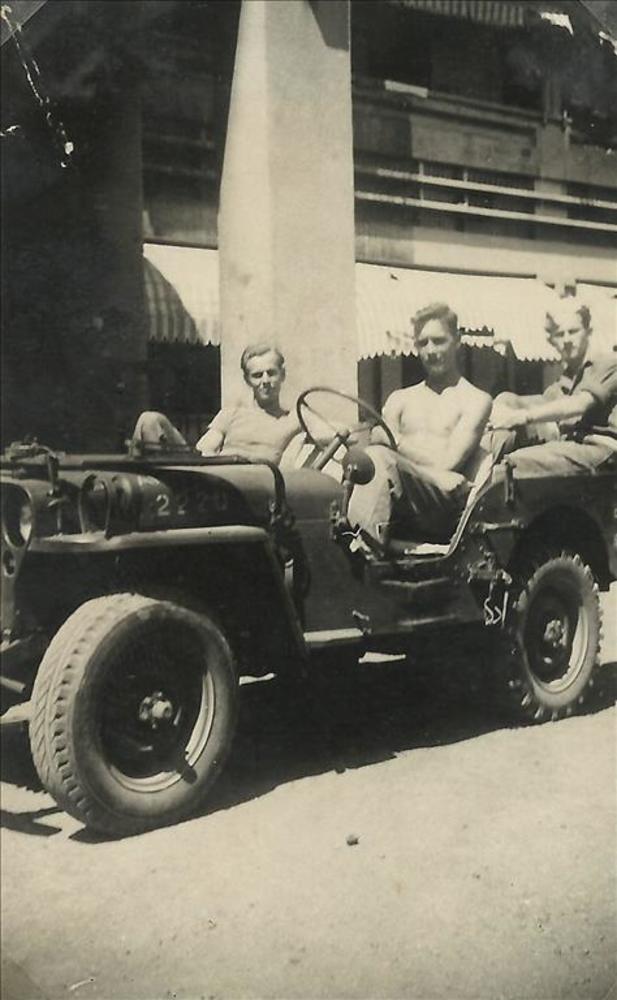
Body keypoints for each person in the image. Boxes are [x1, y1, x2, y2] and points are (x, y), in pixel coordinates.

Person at [347, 302, 492, 546]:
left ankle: (359, 548)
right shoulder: (400, 399)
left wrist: (396, 442)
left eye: (439, 341)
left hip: (442, 507)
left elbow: (448, 463)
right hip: (402, 500)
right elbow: (379, 453)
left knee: (379, 458)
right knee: (365, 462)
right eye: (423, 343)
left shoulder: (475, 400)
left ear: (457, 341)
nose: (430, 351)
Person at [489, 297, 617, 476]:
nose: (567, 340)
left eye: (573, 331)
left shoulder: (608, 363)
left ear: (588, 332)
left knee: (513, 465)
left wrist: (522, 416)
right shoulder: (561, 385)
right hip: (571, 448)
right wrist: (499, 407)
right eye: (560, 334)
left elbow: (579, 404)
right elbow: (536, 403)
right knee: (505, 406)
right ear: (551, 340)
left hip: (602, 448)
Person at [131, 343, 301, 465]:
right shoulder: (233, 413)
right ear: (247, 380)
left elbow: (321, 432)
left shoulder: (295, 418)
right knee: (150, 419)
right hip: (220, 474)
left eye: (271, 373)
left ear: (283, 375)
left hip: (255, 485)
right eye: (257, 375)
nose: (265, 381)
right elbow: (205, 448)